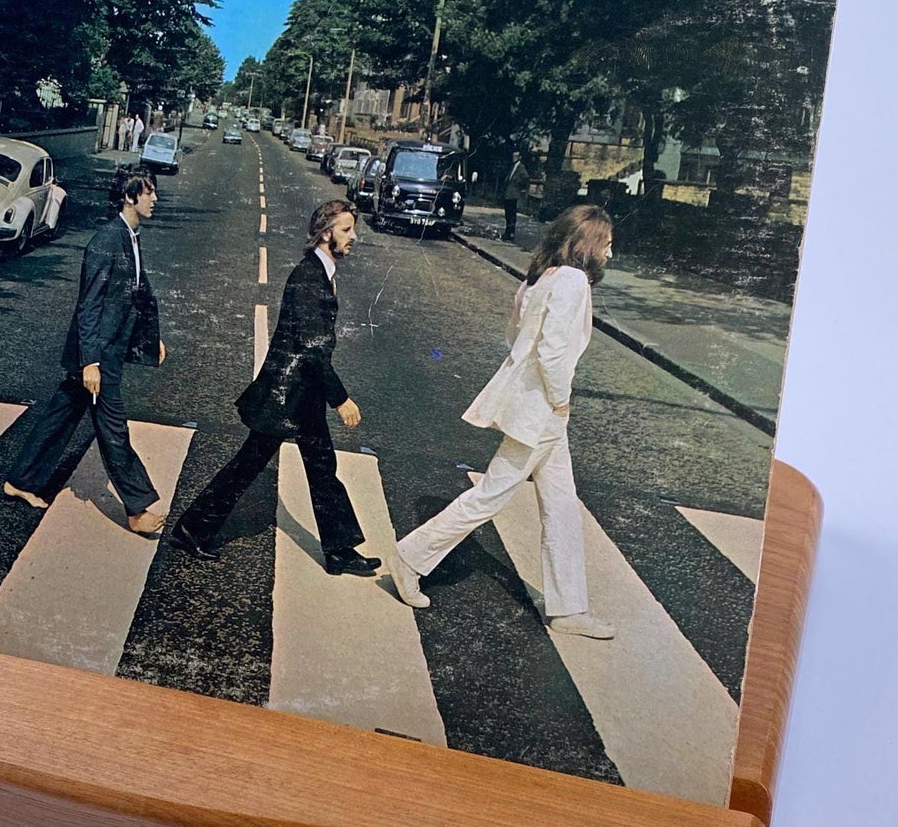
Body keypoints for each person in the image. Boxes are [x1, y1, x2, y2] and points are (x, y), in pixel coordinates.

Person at [387, 204, 616, 639]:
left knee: (563, 506)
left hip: (535, 408)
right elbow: (551, 353)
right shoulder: (572, 282)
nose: (611, 252)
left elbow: (514, 336)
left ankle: (568, 608)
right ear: (587, 244)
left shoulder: (541, 277)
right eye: (606, 243)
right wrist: (561, 401)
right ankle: (411, 556)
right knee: (490, 496)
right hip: (544, 412)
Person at [172, 198, 379, 576]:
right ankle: (192, 528)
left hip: (302, 394)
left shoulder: (322, 272)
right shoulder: (308, 277)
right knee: (248, 465)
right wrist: (342, 399)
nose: (354, 237)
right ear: (326, 232)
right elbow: (314, 349)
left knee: (321, 469)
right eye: (347, 230)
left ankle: (340, 552)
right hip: (288, 396)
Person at [3, 169, 168, 534]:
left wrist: (150, 337)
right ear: (129, 196)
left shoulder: (130, 236)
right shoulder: (107, 241)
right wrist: (90, 361)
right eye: (149, 192)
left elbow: (138, 293)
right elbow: (89, 306)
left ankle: (21, 480)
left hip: (107, 347)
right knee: (113, 429)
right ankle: (138, 507)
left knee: (61, 414)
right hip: (99, 353)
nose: (154, 198)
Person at [502, 149, 532, 243]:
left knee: (511, 215)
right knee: (508, 215)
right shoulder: (513, 166)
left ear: (519, 157)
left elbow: (526, 178)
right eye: (513, 156)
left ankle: (510, 234)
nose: (513, 158)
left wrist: (520, 188)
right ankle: (507, 232)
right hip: (508, 194)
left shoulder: (521, 167)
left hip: (513, 195)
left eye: (515, 156)